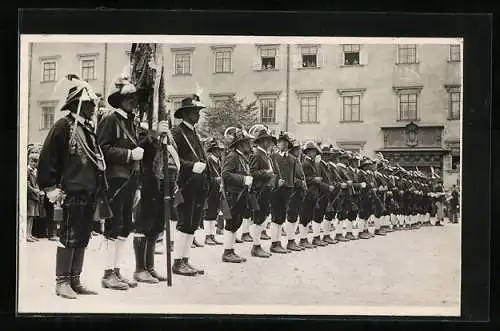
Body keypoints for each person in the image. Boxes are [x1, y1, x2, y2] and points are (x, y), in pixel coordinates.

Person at [38, 74, 103, 299]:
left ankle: (75, 280)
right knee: (68, 236)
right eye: (89, 103)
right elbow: (48, 158)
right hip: (70, 192)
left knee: (83, 236)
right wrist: (49, 187)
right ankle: (62, 281)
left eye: (93, 103)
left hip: (88, 192)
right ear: (77, 104)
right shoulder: (63, 126)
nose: (94, 107)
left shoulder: (88, 129)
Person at [97, 75, 142, 290]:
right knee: (114, 227)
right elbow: (102, 149)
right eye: (130, 98)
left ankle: (117, 271)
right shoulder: (110, 120)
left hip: (130, 180)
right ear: (120, 101)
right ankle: (107, 274)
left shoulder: (130, 122)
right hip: (115, 180)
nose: (134, 101)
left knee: (125, 226)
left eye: (135, 98)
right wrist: (128, 155)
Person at [133, 109, 180, 283]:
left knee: (156, 227)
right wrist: (154, 135)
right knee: (143, 226)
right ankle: (139, 269)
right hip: (146, 184)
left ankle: (150, 267)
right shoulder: (142, 132)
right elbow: (140, 149)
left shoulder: (166, 137)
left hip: (162, 185)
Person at [171, 95, 210, 276]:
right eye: (195, 112)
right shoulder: (177, 133)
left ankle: (186, 260)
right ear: (185, 114)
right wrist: (191, 166)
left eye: (198, 112)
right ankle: (178, 262)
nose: (198, 115)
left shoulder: (194, 133)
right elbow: (173, 159)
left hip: (199, 184)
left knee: (193, 223)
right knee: (184, 222)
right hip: (186, 183)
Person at [221, 127, 254, 262]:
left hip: (240, 195)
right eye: (247, 142)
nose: (249, 145)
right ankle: (227, 252)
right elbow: (225, 174)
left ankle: (231, 250)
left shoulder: (242, 157)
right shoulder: (233, 156)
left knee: (236, 222)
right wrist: (242, 179)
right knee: (231, 222)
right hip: (232, 195)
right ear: (240, 144)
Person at [248, 126, 278, 257]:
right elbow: (252, 172)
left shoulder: (266, 155)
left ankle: (257, 244)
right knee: (258, 219)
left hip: (267, 189)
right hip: (259, 191)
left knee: (263, 218)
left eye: (269, 141)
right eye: (266, 141)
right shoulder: (257, 155)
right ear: (260, 142)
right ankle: (256, 246)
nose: (269, 143)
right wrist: (266, 173)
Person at [298, 141, 323, 249]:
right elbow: (303, 179)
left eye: (314, 151)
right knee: (304, 216)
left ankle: (306, 239)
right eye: (311, 151)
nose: (313, 153)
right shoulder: (305, 164)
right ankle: (303, 240)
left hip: (313, 194)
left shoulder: (314, 164)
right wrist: (314, 179)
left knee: (309, 216)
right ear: (307, 152)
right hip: (307, 194)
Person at [203, 138, 225, 245]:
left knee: (214, 213)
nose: (220, 152)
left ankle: (212, 235)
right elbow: (206, 177)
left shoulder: (218, 162)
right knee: (209, 213)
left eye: (220, 150)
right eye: (217, 150)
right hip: (210, 190)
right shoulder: (208, 161)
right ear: (212, 150)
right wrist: (215, 181)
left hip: (218, 190)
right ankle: (207, 236)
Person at [27, 148, 43, 242]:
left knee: (32, 216)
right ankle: (27, 234)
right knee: (29, 215)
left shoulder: (34, 171)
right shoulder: (28, 171)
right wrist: (35, 190)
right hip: (30, 197)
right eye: (32, 161)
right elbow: (27, 184)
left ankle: (30, 234)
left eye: (35, 162)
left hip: (34, 197)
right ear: (29, 161)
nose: (34, 163)